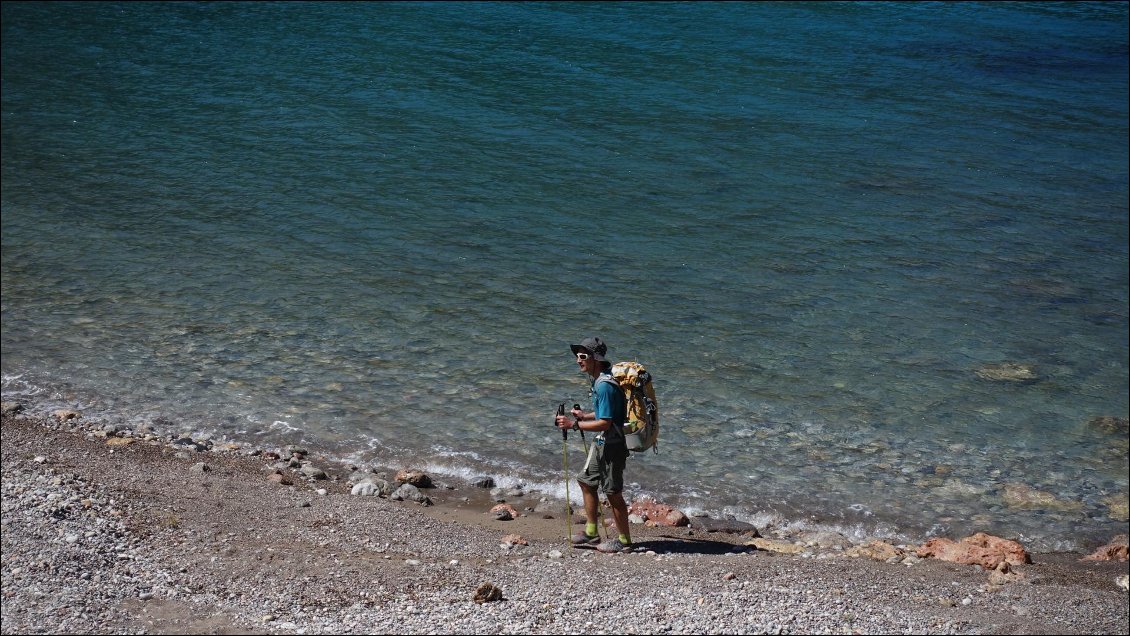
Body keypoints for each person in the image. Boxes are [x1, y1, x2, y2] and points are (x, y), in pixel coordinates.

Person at [555, 336, 632, 553]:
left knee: (613, 492)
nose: (578, 360)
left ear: (595, 359)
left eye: (582, 356)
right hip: (602, 442)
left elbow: (606, 423)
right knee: (586, 482)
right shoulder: (599, 381)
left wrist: (574, 424)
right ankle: (591, 532)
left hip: (612, 445)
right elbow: (602, 414)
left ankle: (625, 541)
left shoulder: (604, 385)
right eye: (577, 356)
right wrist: (584, 416)